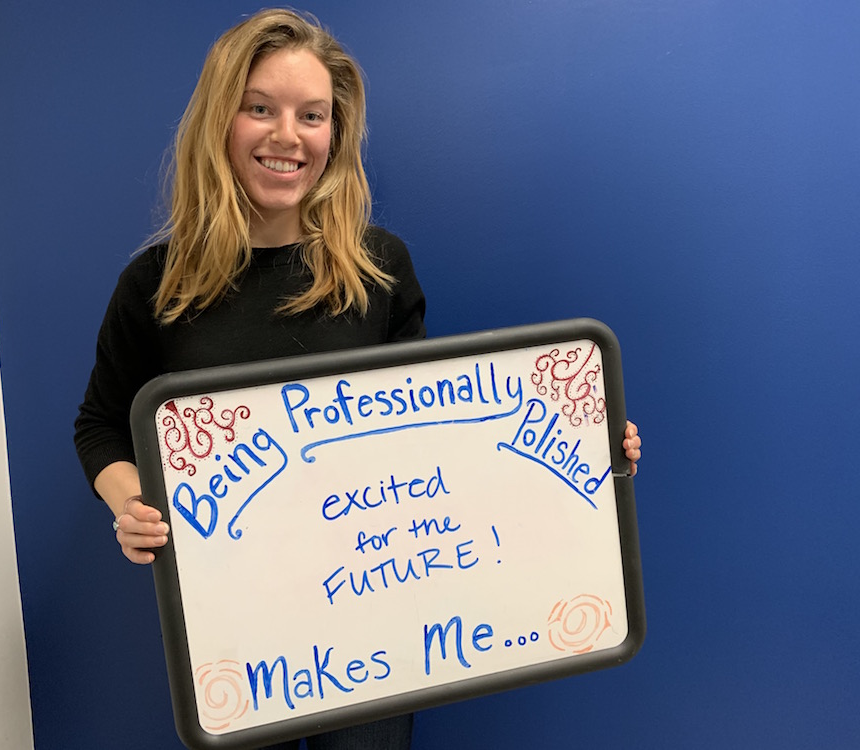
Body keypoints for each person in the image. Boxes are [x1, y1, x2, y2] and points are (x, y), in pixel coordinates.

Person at [74, 9, 642, 750]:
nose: (288, 135)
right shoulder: (157, 284)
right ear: (219, 121)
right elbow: (100, 425)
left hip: (378, 617)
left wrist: (588, 447)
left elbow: (435, 439)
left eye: (312, 115)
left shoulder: (379, 268)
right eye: (260, 108)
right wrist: (134, 504)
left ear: (335, 135)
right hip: (235, 627)